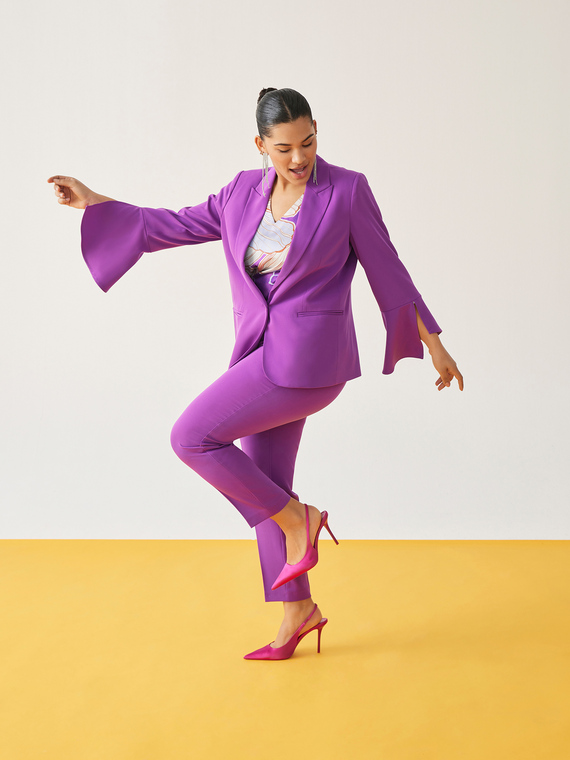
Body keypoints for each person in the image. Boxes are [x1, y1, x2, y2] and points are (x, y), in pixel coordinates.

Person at [48, 87, 463, 661]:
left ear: (317, 133)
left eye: (308, 142)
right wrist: (96, 203)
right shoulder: (242, 192)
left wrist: (434, 343)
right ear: (260, 145)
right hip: (257, 353)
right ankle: (298, 610)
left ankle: (301, 521)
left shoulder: (346, 190)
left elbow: (387, 268)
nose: (299, 157)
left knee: (191, 437)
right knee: (263, 479)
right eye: (284, 148)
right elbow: (175, 224)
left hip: (308, 361)